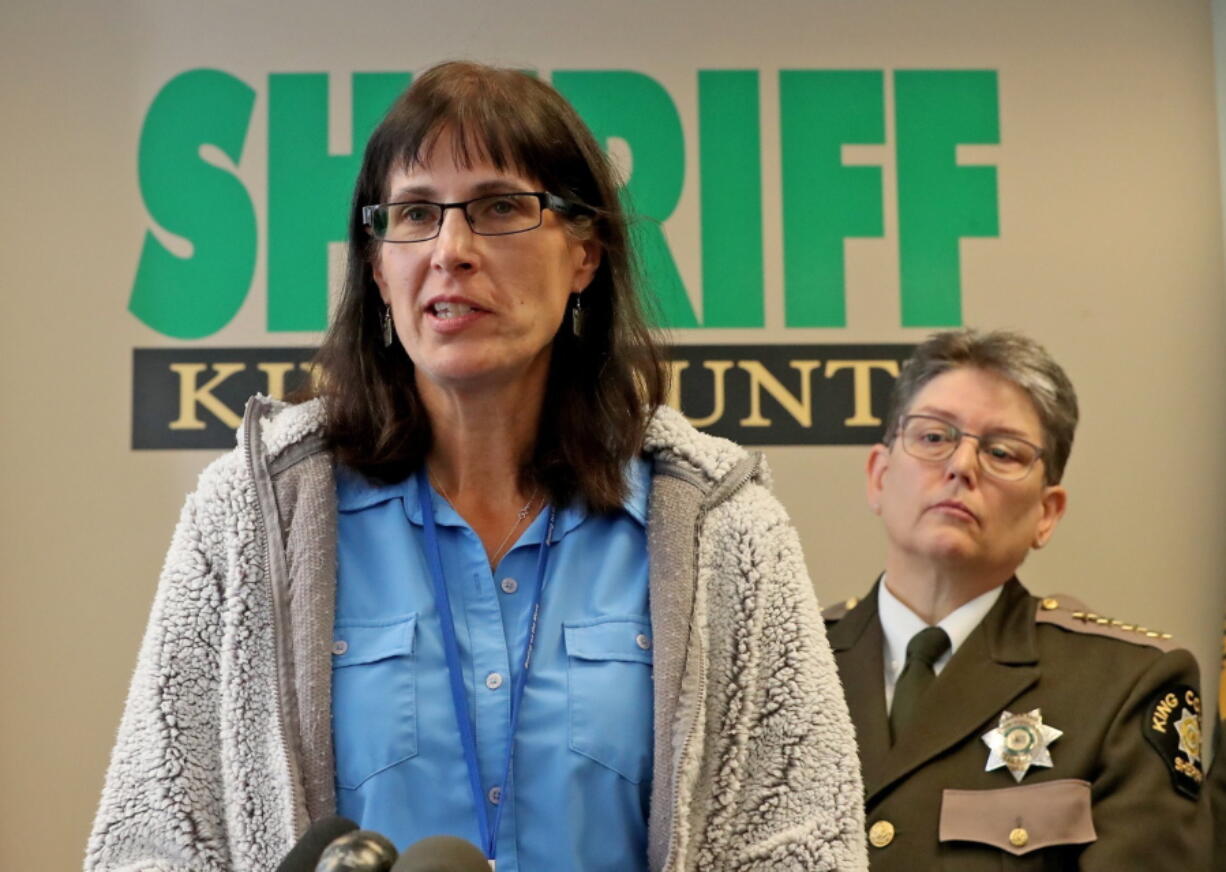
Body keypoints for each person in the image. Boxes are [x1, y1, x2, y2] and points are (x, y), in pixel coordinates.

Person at [86, 62, 866, 872]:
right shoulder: (253, 518)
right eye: (416, 214)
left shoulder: (721, 527)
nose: (451, 251)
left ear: (585, 255)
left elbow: (804, 844)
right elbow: (154, 841)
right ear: (379, 266)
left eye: (500, 208)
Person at [824, 329, 1209, 869]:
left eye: (1002, 451)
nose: (961, 466)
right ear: (879, 476)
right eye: (934, 437)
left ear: (1046, 514)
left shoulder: (1123, 687)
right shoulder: (781, 664)